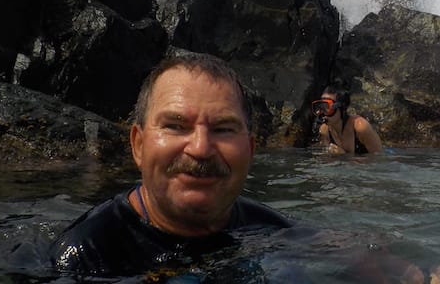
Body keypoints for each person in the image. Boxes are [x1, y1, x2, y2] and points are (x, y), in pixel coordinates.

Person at [49, 52, 292, 277]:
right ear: (139, 146)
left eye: (223, 129)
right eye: (175, 126)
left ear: (250, 151)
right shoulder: (83, 258)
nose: (200, 148)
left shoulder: (276, 235)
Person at [312, 85, 383, 154]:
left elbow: (379, 159)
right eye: (320, 106)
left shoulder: (360, 127)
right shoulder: (324, 130)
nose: (320, 112)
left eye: (326, 107)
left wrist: (344, 156)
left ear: (341, 108)